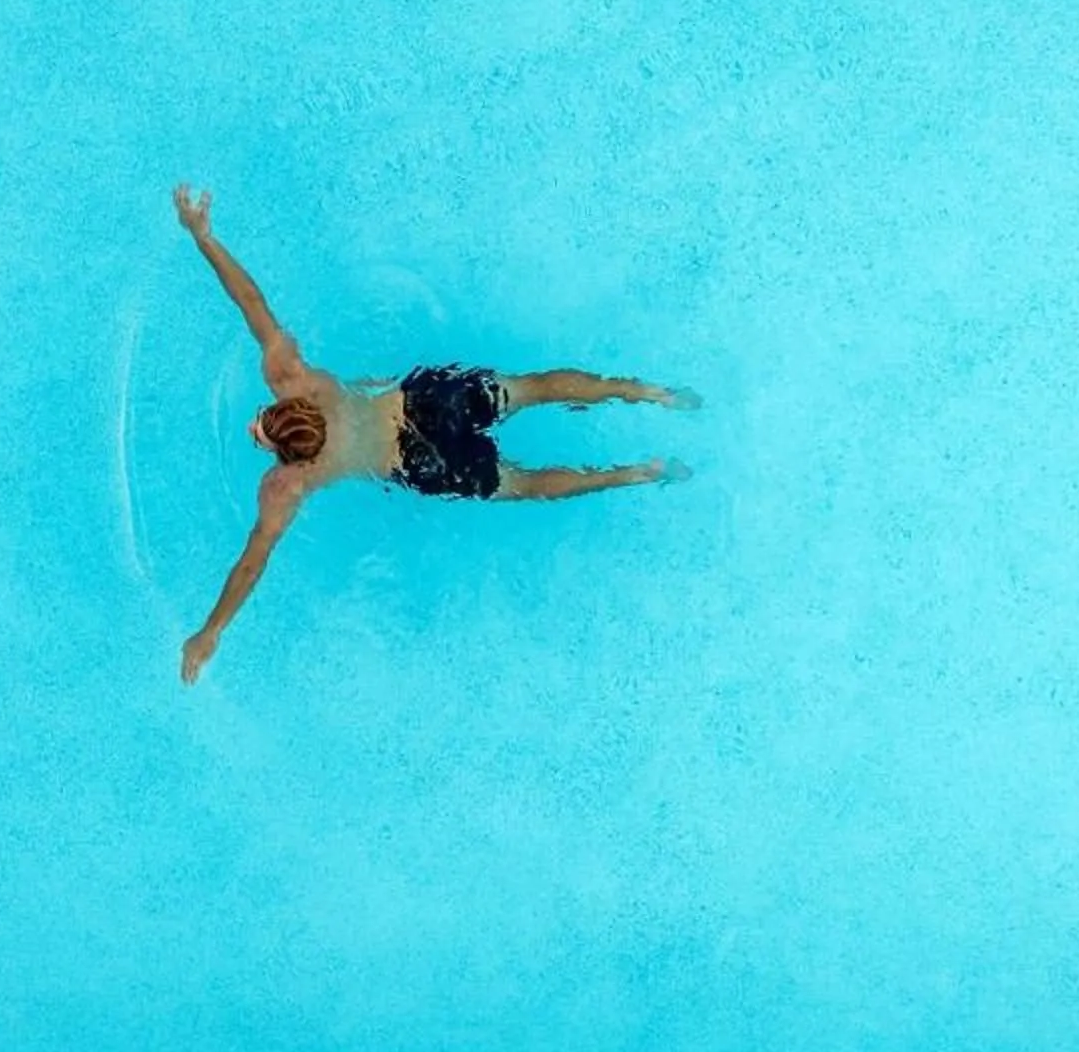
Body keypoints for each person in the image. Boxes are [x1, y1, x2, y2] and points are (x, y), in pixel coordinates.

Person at [172, 184, 695, 684]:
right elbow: (253, 304)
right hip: (425, 402)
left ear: (289, 452)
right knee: (534, 388)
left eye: (260, 429)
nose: (253, 426)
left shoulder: (285, 485)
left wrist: (211, 631)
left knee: (527, 485)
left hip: (418, 462)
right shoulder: (292, 377)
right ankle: (649, 393)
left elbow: (253, 561)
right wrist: (204, 235)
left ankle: (637, 473)